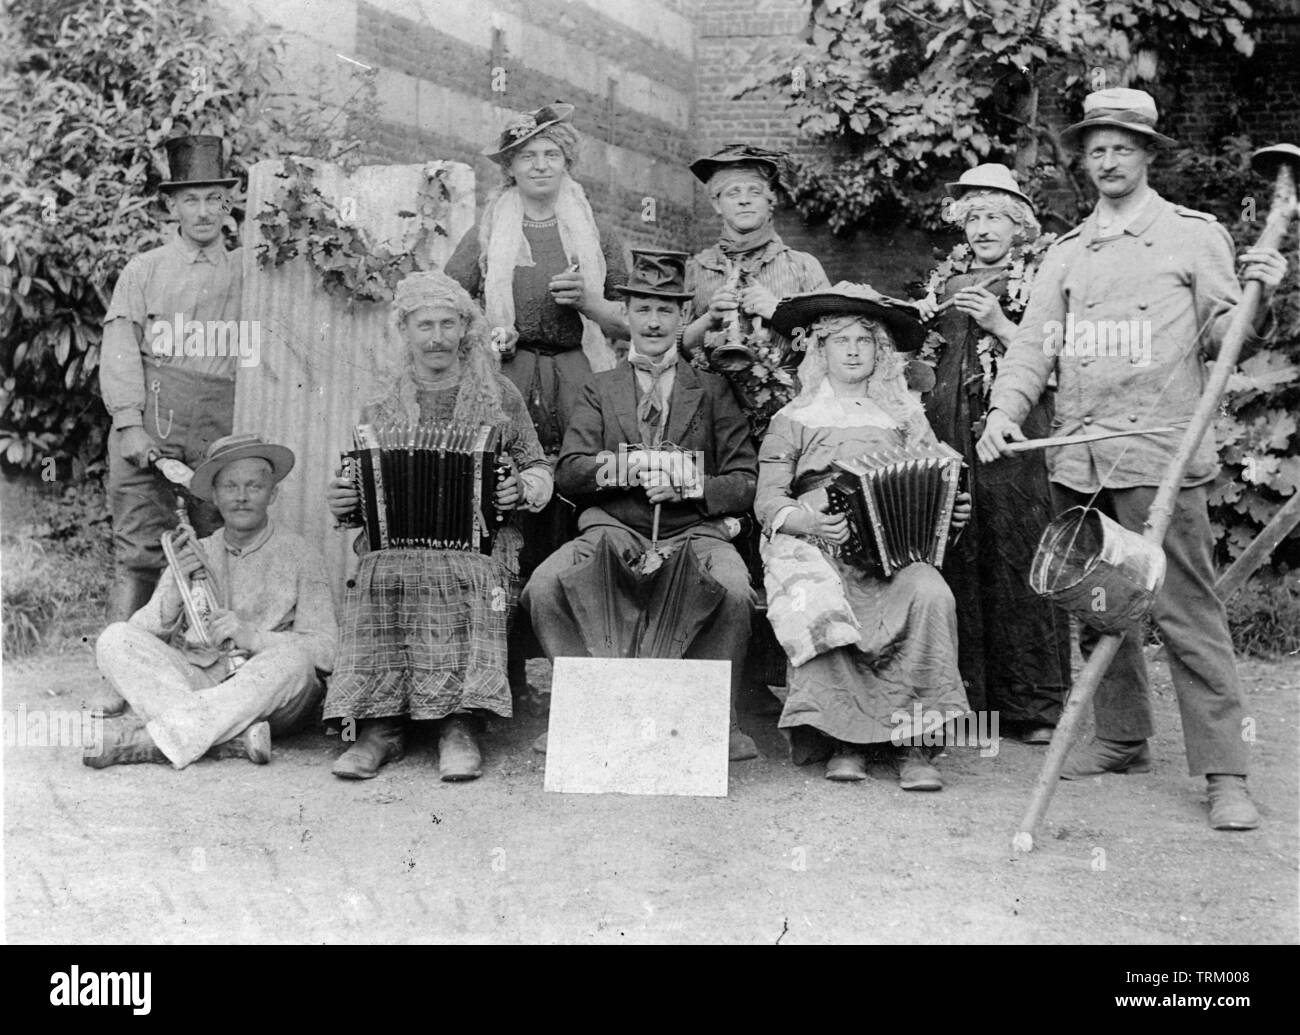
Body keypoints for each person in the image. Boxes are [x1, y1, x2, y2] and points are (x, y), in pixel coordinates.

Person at [976, 88, 1287, 830]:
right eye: (1096, 149)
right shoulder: (1067, 251)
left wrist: (1260, 298)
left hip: (1161, 456)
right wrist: (1001, 413)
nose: (1109, 160)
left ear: (1148, 154)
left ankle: (1224, 771)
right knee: (1097, 602)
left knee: (1184, 613)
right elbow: (1033, 345)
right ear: (1084, 162)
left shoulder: (1191, 236)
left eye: (1122, 147)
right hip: (1079, 460)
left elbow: (1226, 337)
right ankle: (1121, 736)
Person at [521, 249, 761, 761]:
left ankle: (716, 719)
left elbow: (744, 481)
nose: (653, 322)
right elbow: (570, 471)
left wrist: (690, 486)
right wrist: (627, 466)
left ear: (682, 320)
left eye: (666, 310)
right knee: (544, 587)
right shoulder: (598, 388)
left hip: (694, 532)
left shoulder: (714, 390)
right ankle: (582, 712)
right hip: (614, 529)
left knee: (736, 590)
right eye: (643, 309)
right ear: (625, 315)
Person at [324, 271, 552, 782]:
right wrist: (342, 499)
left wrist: (522, 486)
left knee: (477, 578)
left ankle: (459, 723)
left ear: (465, 330)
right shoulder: (380, 399)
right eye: (424, 324)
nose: (436, 337)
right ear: (404, 330)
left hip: (484, 543)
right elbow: (358, 488)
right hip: (396, 542)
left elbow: (537, 465)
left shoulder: (499, 394)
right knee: (378, 573)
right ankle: (381, 727)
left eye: (449, 324)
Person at [445, 102, 628, 697]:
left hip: (579, 372)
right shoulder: (488, 228)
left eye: (552, 155)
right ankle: (508, 662)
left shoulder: (595, 228)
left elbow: (633, 317)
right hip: (510, 376)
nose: (542, 166)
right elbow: (446, 303)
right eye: (528, 157)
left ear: (567, 162)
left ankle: (573, 663)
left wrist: (592, 303)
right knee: (508, 498)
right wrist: (484, 329)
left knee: (574, 493)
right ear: (511, 169)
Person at [756, 286, 972, 789]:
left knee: (930, 592)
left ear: (881, 354)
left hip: (894, 556)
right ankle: (843, 739)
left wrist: (951, 510)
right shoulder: (793, 419)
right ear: (820, 351)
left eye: (865, 342)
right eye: (840, 341)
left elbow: (936, 483)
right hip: (821, 547)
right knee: (816, 592)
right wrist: (806, 523)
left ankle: (914, 745)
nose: (853, 350)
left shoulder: (904, 418)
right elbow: (767, 499)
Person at [911, 164, 1070, 744]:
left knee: (1018, 551)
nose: (983, 228)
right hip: (949, 432)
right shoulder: (944, 285)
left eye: (996, 217)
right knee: (959, 549)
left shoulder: (1040, 280)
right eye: (974, 217)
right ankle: (971, 705)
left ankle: (1033, 707)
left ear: (1019, 226)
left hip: (1013, 437)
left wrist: (1001, 322)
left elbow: (1058, 363)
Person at [89, 434, 336, 769]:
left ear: (272, 493)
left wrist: (255, 638)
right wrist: (177, 588)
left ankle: (145, 741)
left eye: (254, 486)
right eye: (230, 487)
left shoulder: (303, 555)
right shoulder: (199, 549)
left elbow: (326, 650)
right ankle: (228, 740)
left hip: (267, 693)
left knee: (293, 662)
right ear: (215, 496)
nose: (242, 497)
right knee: (114, 640)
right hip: (201, 680)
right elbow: (141, 632)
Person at [99, 135, 243, 637]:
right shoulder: (146, 270)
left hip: (219, 424)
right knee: (140, 548)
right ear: (171, 205)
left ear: (229, 203)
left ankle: (219, 664)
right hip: (152, 417)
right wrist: (128, 424)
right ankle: (118, 669)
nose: (203, 212)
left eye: (213, 199)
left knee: (223, 543)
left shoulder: (251, 272)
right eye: (190, 199)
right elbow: (119, 344)